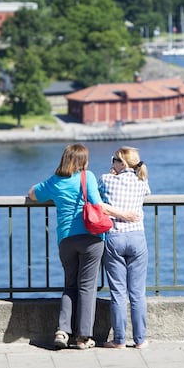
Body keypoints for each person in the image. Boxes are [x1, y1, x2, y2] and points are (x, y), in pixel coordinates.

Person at [27, 143, 135, 350]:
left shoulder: (55, 181)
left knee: (69, 285)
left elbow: (33, 194)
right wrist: (123, 214)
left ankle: (62, 331)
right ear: (83, 161)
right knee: (86, 287)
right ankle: (83, 337)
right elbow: (97, 204)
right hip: (91, 239)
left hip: (66, 239)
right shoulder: (88, 177)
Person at [98, 146, 151, 349]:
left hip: (115, 237)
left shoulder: (106, 179)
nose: (111, 162)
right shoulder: (142, 180)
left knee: (118, 292)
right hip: (137, 237)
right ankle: (140, 340)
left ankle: (119, 340)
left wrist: (112, 174)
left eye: (114, 159)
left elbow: (97, 199)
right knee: (137, 293)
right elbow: (146, 193)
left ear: (121, 162)